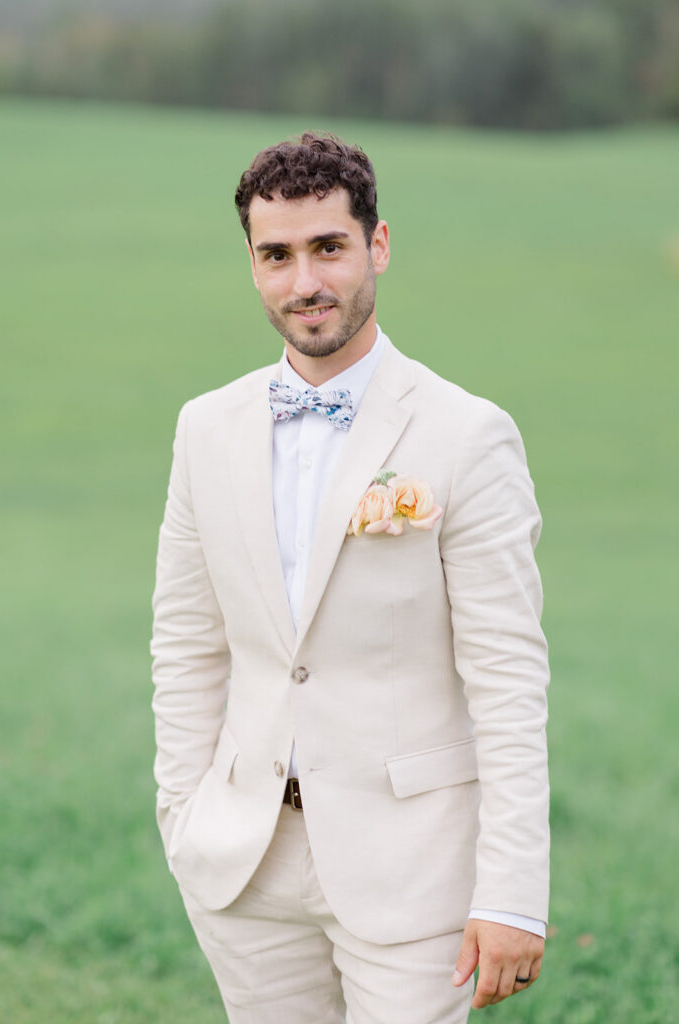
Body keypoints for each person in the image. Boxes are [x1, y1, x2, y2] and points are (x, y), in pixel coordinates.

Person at [151, 132, 550, 1023]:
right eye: (277, 255)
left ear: (376, 245)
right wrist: (184, 812)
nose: (305, 283)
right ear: (252, 265)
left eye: (328, 247)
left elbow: (509, 677)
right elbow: (186, 639)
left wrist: (513, 890)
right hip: (245, 864)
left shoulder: (468, 435)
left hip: (415, 867)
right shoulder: (204, 429)